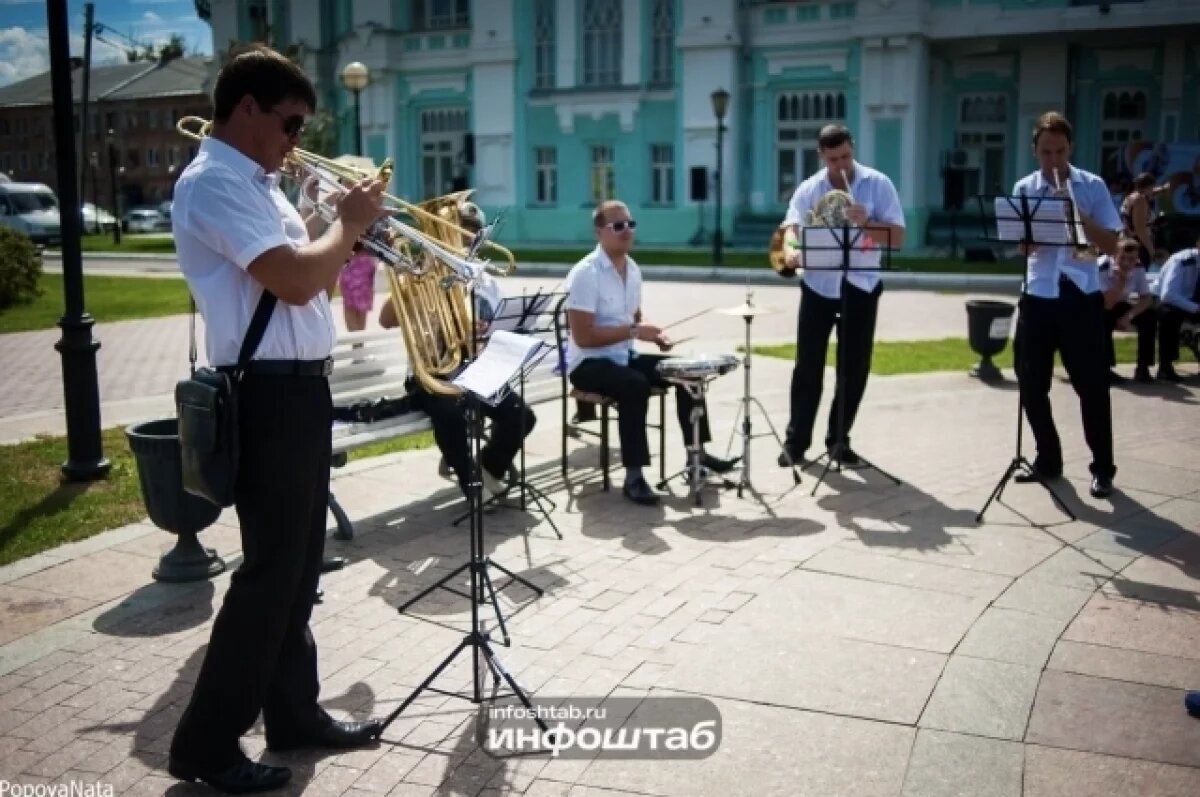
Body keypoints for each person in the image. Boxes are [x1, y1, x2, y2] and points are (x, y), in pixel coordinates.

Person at [167, 45, 388, 793]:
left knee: (295, 573)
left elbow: (309, 264)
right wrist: (348, 224)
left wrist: (332, 216)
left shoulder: (263, 186)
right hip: (266, 395)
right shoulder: (213, 184)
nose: (296, 139)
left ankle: (294, 713)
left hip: (299, 391)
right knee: (268, 575)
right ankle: (204, 743)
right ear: (248, 108)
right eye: (290, 122)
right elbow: (297, 281)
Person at [564, 199, 736, 506]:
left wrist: (654, 334)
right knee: (634, 385)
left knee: (687, 370)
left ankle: (697, 454)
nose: (626, 231)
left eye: (630, 224)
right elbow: (583, 336)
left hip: (622, 356)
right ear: (599, 233)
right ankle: (634, 476)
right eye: (617, 226)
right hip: (587, 364)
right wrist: (633, 332)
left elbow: (634, 317)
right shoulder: (585, 274)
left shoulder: (632, 269)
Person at [378, 202, 536, 500]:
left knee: (521, 416)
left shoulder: (485, 281)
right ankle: (471, 483)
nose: (465, 238)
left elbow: (498, 330)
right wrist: (414, 277)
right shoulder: (422, 275)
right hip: (431, 374)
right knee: (449, 414)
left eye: (472, 233)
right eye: (457, 230)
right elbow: (386, 320)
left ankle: (489, 469)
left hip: (473, 370)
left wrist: (483, 335)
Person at [776, 124, 906, 468]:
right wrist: (791, 250)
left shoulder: (878, 184)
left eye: (846, 156)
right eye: (833, 160)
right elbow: (791, 226)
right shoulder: (810, 188)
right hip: (819, 285)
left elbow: (898, 237)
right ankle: (796, 443)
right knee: (807, 367)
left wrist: (868, 223)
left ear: (853, 148)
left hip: (860, 286)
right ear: (822, 156)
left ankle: (838, 440)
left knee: (853, 369)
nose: (841, 166)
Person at [1011, 111, 1121, 499]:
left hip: (1080, 296)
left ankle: (1103, 469)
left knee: (1091, 385)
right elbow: (1020, 245)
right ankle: (1048, 457)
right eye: (1046, 153)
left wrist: (1076, 213)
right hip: (1039, 294)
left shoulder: (1092, 186)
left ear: (1070, 148)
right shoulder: (1025, 187)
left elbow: (1110, 245)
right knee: (1030, 380)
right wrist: (1029, 241)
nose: (1053, 161)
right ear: (1035, 151)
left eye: (1059, 152)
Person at [1099, 237, 1157, 384]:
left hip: (1119, 303)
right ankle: (1105, 369)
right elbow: (1107, 303)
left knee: (1149, 317)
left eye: (1131, 259)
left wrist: (1128, 316)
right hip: (1098, 304)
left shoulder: (1138, 267)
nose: (1126, 263)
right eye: (1122, 258)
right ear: (1114, 255)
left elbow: (1146, 298)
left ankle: (1143, 368)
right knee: (1104, 320)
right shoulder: (1102, 267)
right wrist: (1121, 281)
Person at [1155, 238, 1200, 382]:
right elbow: (1168, 295)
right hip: (1170, 303)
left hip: (1193, 304)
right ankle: (1165, 366)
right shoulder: (1181, 260)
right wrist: (1196, 308)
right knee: (1169, 314)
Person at [1119, 172, 1165, 266]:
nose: (1153, 191)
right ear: (1149, 187)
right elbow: (1140, 229)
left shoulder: (1129, 197)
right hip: (1138, 244)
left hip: (1126, 240)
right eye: (1152, 187)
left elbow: (1154, 192)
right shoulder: (1140, 201)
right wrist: (1151, 251)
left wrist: (1164, 188)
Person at [339, 243, 379, 335]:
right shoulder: (369, 260)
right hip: (365, 294)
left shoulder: (347, 259)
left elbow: (342, 279)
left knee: (352, 327)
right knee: (361, 328)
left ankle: (357, 345)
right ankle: (359, 345)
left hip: (350, 294)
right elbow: (372, 277)